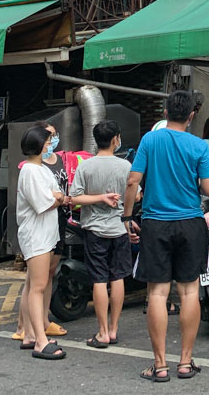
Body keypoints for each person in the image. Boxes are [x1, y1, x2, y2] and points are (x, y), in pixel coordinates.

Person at [123, 90, 209, 382]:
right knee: (189, 292)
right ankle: (185, 363)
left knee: (158, 293)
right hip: (190, 223)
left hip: (155, 223)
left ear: (165, 112)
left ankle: (160, 365)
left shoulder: (150, 140)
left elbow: (133, 180)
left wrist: (126, 216)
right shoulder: (199, 146)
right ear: (191, 115)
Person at [69, 119, 131, 348]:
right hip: (119, 229)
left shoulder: (86, 166)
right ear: (116, 139)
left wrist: (97, 198)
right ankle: (113, 329)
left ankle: (102, 332)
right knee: (118, 277)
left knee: (99, 279)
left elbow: (74, 198)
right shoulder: (125, 166)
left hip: (94, 230)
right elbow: (136, 195)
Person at [13, 121, 70, 344]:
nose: (50, 144)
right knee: (37, 287)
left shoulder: (42, 169)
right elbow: (45, 202)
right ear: (38, 145)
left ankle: (30, 334)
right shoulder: (29, 170)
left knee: (33, 285)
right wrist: (56, 198)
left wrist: (56, 197)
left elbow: (58, 194)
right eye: (48, 141)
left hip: (45, 235)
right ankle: (39, 339)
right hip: (35, 236)